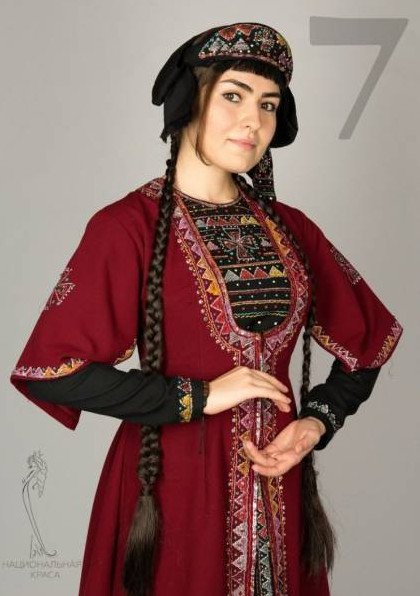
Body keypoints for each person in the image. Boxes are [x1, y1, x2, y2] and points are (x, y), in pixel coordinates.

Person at [10, 22, 403, 596]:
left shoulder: (293, 231)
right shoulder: (128, 227)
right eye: (233, 96)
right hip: (170, 491)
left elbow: (371, 342)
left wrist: (315, 424)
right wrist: (196, 396)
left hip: (279, 492)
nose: (253, 121)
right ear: (188, 101)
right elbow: (51, 370)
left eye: (268, 104)